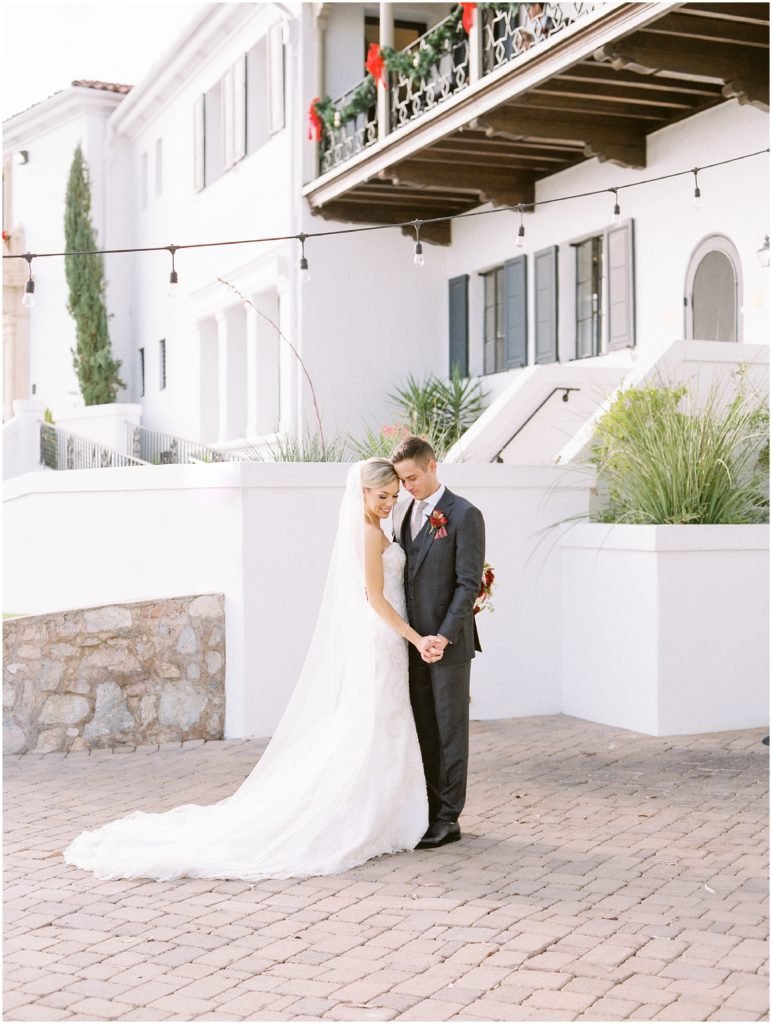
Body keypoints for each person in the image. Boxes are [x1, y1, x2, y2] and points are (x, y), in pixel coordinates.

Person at [63, 459, 433, 882]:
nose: (388, 503)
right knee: (374, 721)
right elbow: (375, 599)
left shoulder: (380, 529)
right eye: (381, 495)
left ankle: (388, 809)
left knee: (382, 720)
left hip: (388, 637)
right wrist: (415, 637)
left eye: (393, 496)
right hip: (384, 635)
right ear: (363, 493)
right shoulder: (369, 534)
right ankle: (371, 812)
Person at [391, 437, 486, 850]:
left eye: (412, 477)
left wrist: (442, 638)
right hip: (412, 644)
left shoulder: (464, 515)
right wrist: (414, 639)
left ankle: (449, 818)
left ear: (432, 466)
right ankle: (428, 809)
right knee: (424, 728)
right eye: (401, 480)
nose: (407, 486)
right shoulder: (403, 513)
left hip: (447, 645)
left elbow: (469, 584)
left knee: (450, 731)